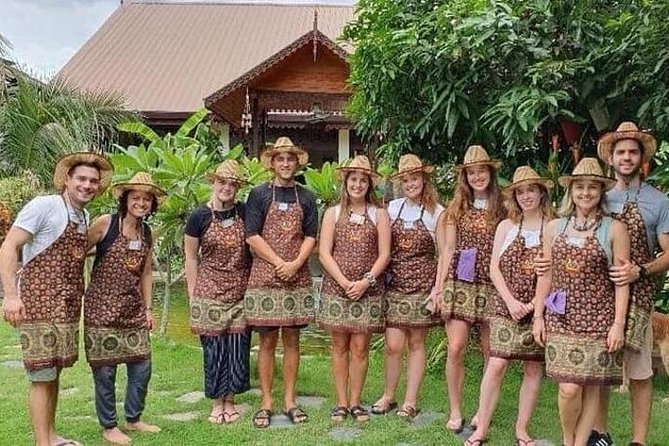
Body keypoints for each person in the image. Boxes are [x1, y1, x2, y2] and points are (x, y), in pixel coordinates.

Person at [0, 151, 112, 446]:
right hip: (38, 305)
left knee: (54, 371)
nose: (87, 185)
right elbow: (9, 246)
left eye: (93, 181)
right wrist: (10, 296)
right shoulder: (45, 206)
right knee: (41, 375)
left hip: (66, 306)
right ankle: (42, 443)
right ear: (67, 180)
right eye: (82, 179)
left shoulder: (83, 215)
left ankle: (51, 435)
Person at [532, 157, 630, 446]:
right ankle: (567, 440)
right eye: (580, 187)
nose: (585, 193)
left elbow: (621, 281)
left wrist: (618, 325)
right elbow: (546, 273)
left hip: (599, 320)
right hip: (561, 318)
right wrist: (538, 315)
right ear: (571, 191)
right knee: (569, 389)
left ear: (601, 192)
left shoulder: (614, 229)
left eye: (592, 188)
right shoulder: (554, 227)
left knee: (591, 388)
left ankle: (579, 443)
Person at [590, 122, 669, 446]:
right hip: (597, 295)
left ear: (641, 157)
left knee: (639, 374)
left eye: (632, 152)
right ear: (611, 157)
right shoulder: (598, 197)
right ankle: (600, 435)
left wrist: (641, 270)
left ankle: (638, 441)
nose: (626, 157)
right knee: (600, 373)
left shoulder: (659, 201)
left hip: (639, 298)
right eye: (620, 151)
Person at [467, 166, 554, 446]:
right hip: (506, 305)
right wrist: (511, 301)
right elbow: (494, 269)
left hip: (539, 307)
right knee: (496, 363)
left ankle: (521, 429)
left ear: (541, 193)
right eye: (520, 192)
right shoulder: (506, 226)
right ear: (514, 196)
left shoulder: (553, 226)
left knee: (532, 368)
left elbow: (553, 272)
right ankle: (481, 426)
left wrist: (533, 306)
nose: (526, 196)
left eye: (531, 190)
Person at [84, 172, 164, 445]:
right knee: (105, 371)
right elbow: (78, 250)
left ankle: (134, 418)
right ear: (125, 199)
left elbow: (146, 274)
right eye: (136, 197)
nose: (141, 203)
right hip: (101, 311)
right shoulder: (106, 224)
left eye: (146, 199)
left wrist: (149, 309)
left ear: (152, 205)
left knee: (142, 366)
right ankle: (109, 426)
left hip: (132, 311)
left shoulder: (146, 232)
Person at [244, 137, 318, 428]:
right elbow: (252, 234)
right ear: (272, 163)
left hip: (296, 277)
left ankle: (289, 400)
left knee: (292, 340)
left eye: (290, 159)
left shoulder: (308, 197)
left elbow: (311, 236)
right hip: (265, 276)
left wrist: (296, 264)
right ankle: (266, 402)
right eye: (280, 159)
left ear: (297, 162)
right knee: (266, 341)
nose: (286, 164)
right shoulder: (259, 195)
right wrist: (279, 263)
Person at [432, 145, 505, 433]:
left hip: (492, 282)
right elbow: (447, 250)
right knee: (456, 346)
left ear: (490, 173)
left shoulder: (504, 207)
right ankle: (455, 408)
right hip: (459, 281)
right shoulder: (455, 209)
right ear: (465, 176)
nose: (477, 177)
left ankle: (481, 411)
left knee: (491, 351)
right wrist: (438, 288)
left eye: (482, 171)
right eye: (471, 172)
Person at [318, 155, 391, 423]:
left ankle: (356, 402)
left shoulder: (379, 214)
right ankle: (341, 402)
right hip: (337, 288)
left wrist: (365, 282)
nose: (358, 184)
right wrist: (344, 282)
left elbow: (384, 254)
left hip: (368, 290)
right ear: (345, 182)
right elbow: (324, 253)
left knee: (360, 347)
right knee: (339, 345)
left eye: (363, 180)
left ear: (369, 184)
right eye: (353, 179)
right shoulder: (332, 213)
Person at [371, 154, 444, 419]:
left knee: (416, 342)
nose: (411, 183)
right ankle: (389, 395)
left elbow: (444, 253)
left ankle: (410, 401)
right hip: (396, 284)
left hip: (423, 284)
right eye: (406, 179)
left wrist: (438, 290)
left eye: (415, 178)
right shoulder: (392, 209)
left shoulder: (438, 211)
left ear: (424, 179)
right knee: (392, 344)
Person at [184, 160, 252, 426]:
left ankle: (231, 401)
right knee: (213, 349)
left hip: (240, 291)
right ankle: (216, 402)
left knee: (237, 347)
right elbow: (190, 257)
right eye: (222, 183)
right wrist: (192, 293)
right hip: (209, 290)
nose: (227, 188)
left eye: (232, 184)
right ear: (214, 183)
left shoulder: (245, 213)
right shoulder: (199, 216)